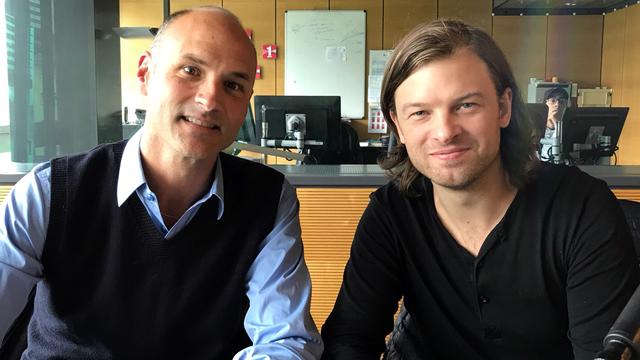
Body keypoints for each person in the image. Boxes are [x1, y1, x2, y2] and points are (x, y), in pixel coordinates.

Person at [0, 6, 322, 359]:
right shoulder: (50, 192)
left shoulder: (268, 200)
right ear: (145, 74)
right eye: (190, 70)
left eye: (233, 85)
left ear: (245, 104)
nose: (210, 99)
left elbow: (287, 342)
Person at [321, 19, 639, 360]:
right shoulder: (391, 213)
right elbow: (350, 338)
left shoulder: (581, 208)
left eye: (466, 105)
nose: (445, 132)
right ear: (397, 125)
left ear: (503, 108)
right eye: (420, 112)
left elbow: (601, 353)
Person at [540, 86, 570, 161]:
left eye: (562, 102)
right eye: (553, 101)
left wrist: (557, 126)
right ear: (545, 104)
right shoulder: (537, 127)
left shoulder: (570, 129)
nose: (557, 104)